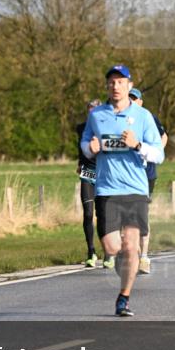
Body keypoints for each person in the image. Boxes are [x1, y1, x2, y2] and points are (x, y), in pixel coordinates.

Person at [81, 65, 164, 317]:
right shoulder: (97, 116)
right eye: (111, 82)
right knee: (112, 247)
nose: (115, 86)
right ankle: (124, 261)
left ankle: (124, 297)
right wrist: (90, 148)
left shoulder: (143, 116)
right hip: (106, 188)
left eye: (120, 82)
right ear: (107, 86)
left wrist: (137, 144)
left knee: (131, 247)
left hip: (135, 190)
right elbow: (85, 143)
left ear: (129, 85)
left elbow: (159, 153)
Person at [129, 88, 168, 274]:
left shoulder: (148, 117)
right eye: (129, 98)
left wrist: (155, 152)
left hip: (147, 174)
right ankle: (134, 253)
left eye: (134, 98)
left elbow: (163, 136)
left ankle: (144, 257)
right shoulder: (118, 118)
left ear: (141, 101)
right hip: (125, 174)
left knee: (141, 215)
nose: (131, 101)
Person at [76, 99, 102, 267]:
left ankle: (109, 253)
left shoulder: (106, 128)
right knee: (87, 213)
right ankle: (91, 251)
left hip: (103, 175)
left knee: (104, 216)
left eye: (95, 111)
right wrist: (79, 163)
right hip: (86, 174)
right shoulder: (81, 128)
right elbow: (80, 148)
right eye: (89, 111)